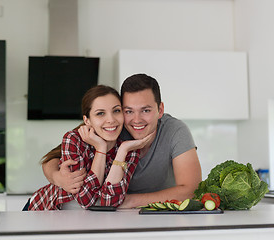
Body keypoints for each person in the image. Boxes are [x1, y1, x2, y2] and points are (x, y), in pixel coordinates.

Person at [42, 74, 202, 208]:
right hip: (82, 212)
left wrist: (130, 201)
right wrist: (57, 177)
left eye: (145, 110)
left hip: (141, 213)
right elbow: (52, 158)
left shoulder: (175, 130)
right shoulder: (112, 128)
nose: (137, 120)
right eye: (128, 111)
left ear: (160, 110)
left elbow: (191, 189)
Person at [27, 85, 153, 210]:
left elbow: (110, 203)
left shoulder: (128, 149)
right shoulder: (74, 139)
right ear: (87, 120)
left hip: (84, 220)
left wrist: (122, 151)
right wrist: (101, 149)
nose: (111, 120)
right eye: (100, 113)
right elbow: (85, 200)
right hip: (43, 211)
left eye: (116, 111)